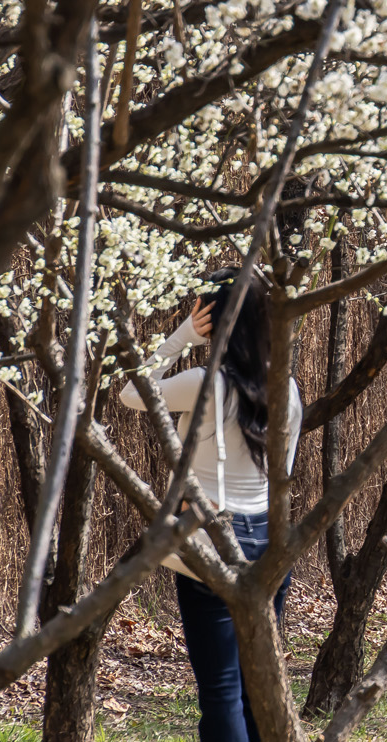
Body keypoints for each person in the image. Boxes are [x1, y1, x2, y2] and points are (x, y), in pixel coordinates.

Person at [122, 271, 302, 742]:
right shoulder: (287, 388)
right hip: (270, 544)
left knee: (221, 691)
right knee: (258, 685)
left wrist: (182, 334)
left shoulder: (204, 384)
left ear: (215, 323)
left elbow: (129, 392)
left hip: (211, 541)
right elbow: (283, 471)